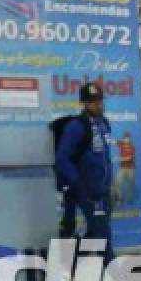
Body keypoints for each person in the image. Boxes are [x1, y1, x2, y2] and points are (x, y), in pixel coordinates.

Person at [55, 82, 115, 264]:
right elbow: (62, 158)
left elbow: (106, 158)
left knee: (96, 232)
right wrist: (78, 184)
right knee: (103, 235)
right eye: (92, 101)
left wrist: (111, 184)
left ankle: (70, 263)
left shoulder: (104, 124)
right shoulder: (76, 126)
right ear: (83, 104)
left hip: (103, 188)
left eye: (100, 100)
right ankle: (115, 277)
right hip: (87, 190)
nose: (98, 104)